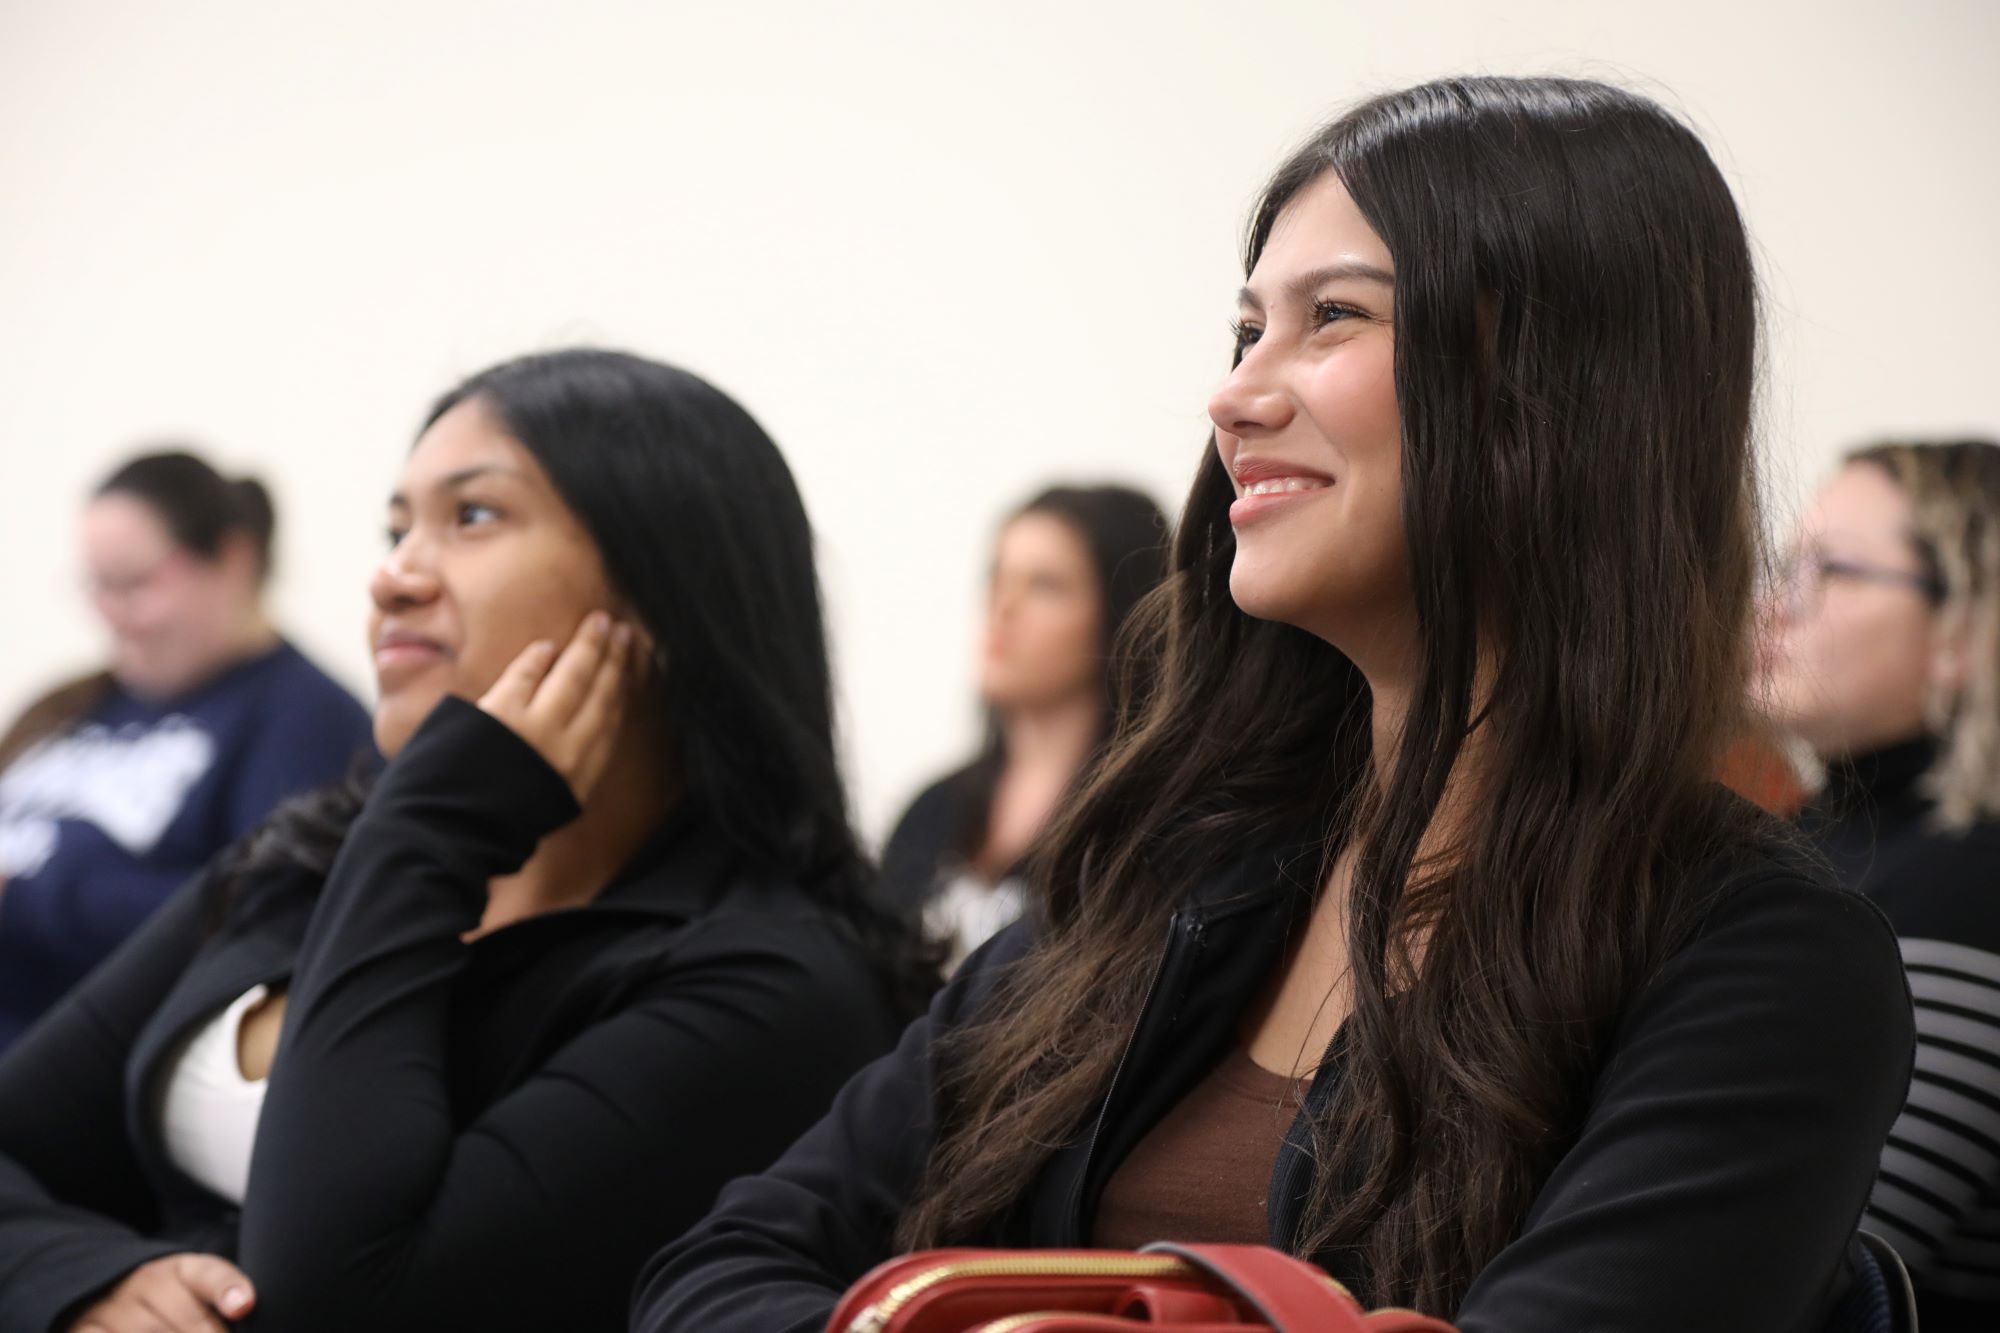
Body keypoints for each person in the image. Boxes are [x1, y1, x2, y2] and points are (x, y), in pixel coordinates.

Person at [632, 77, 1914, 1333]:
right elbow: (717, 1269)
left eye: (1333, 318)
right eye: (1247, 331)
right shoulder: (1162, 882)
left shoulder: (1760, 963)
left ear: (1554, 389)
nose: (1234, 395)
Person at [0, 349, 926, 1333]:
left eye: (471, 517)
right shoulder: (305, 863)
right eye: (396, 528)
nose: (393, 576)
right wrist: (88, 1277)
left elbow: (354, 1307)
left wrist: (428, 829)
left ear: (664, 588)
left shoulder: (769, 982)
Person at [0, 451, 371, 1050]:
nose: (113, 616)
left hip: (52, 1061)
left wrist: (27, 892)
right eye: (97, 586)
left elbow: (258, 919)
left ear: (233, 558)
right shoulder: (77, 701)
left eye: (136, 584)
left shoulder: (302, 714)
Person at [1761, 439, 2000, 1332]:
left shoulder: (1975, 886)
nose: (1771, 605)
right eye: (1781, 567)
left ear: (1962, 630)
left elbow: (1810, 1259)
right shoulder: (1802, 842)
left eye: (1826, 572)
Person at [880, 484, 1168, 970]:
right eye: (998, 577)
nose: (1004, 607)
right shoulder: (932, 810)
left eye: (1045, 585)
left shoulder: (1143, 829)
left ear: (1124, 614)